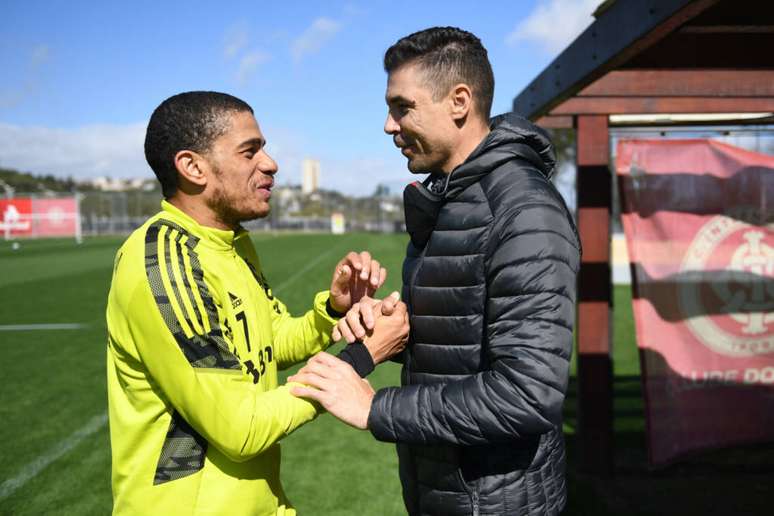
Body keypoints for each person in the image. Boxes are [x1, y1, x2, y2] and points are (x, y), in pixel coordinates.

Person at [290, 27, 581, 515]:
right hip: (445, 494)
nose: (388, 125)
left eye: (402, 106)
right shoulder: (451, 198)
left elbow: (528, 393)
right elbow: (464, 342)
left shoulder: (524, 210)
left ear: (459, 102)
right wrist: (395, 332)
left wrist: (374, 408)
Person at [105, 91, 408, 515]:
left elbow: (272, 342)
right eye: (250, 151)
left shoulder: (232, 243)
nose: (270, 163)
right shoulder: (165, 264)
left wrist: (333, 311)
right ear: (193, 167)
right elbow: (240, 429)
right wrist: (360, 357)